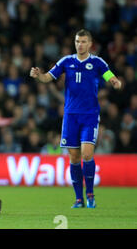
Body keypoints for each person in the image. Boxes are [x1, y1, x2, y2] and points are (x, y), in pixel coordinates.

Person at [30, 29, 122, 208]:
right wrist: (38, 75)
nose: (80, 44)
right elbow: (48, 77)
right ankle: (79, 199)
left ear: (90, 44)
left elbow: (109, 75)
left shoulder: (97, 62)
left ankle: (91, 195)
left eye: (83, 41)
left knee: (87, 154)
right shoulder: (67, 61)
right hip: (71, 115)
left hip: (90, 115)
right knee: (73, 157)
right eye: (77, 41)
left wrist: (115, 82)